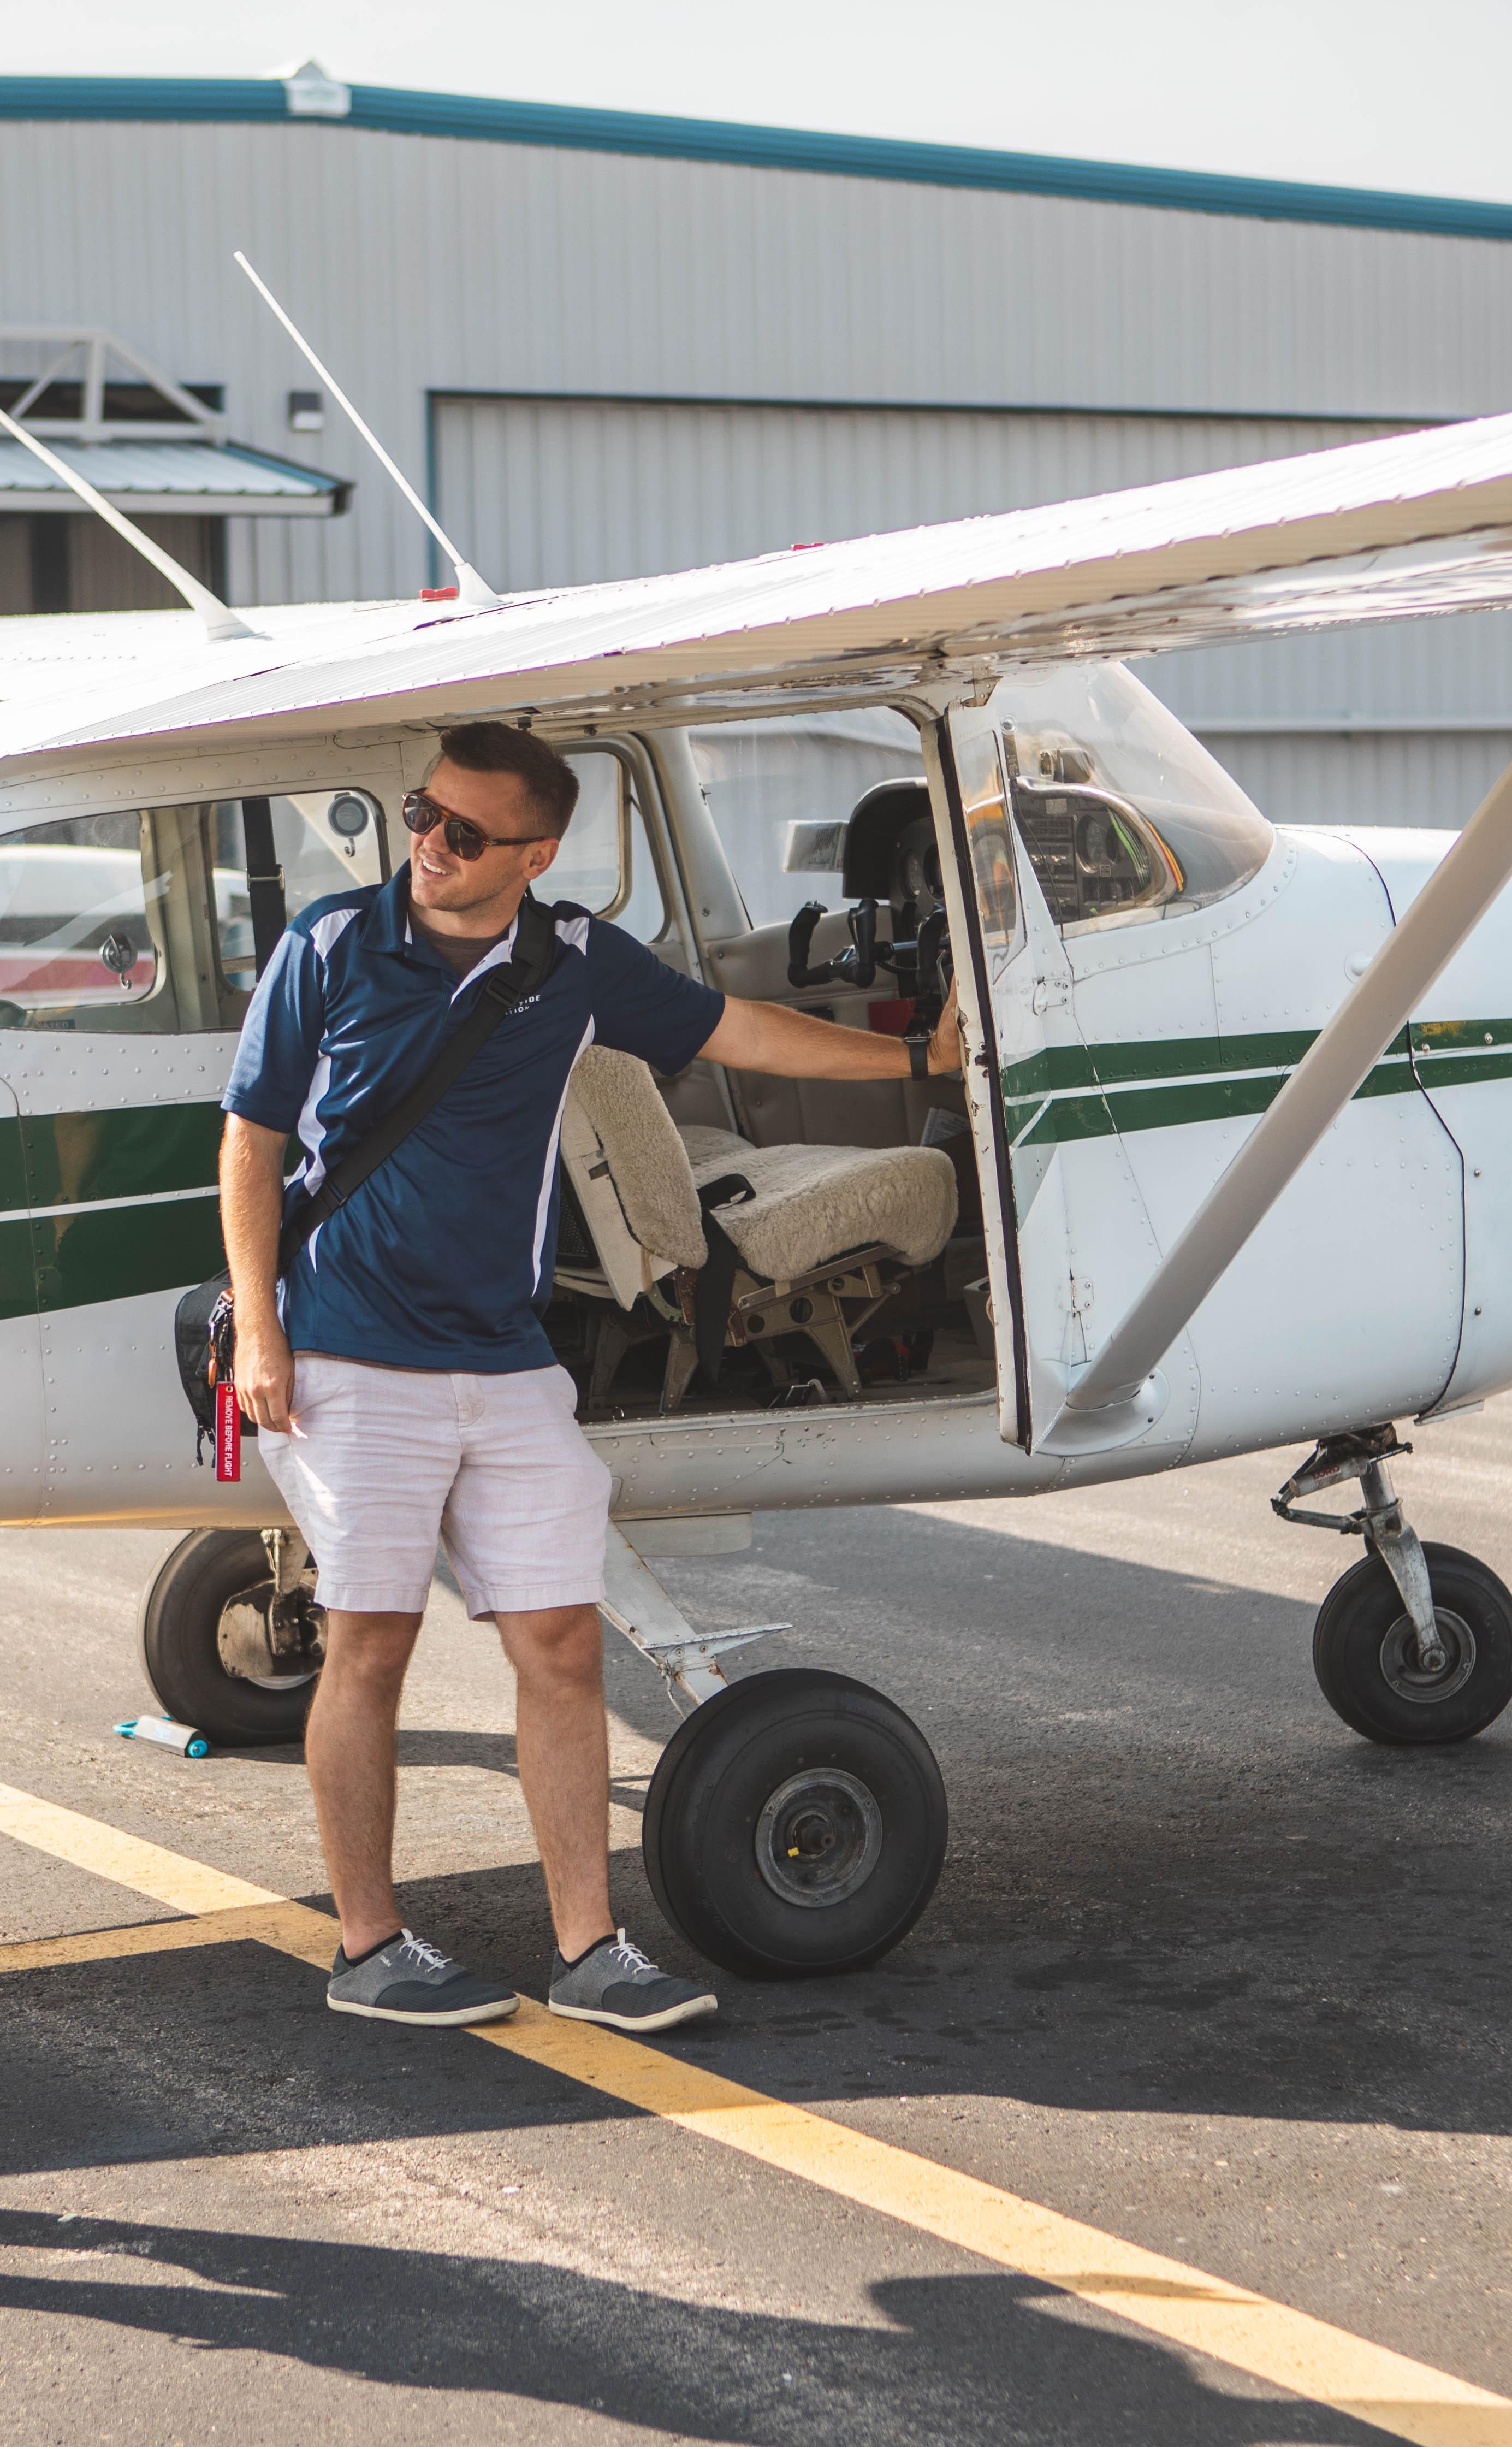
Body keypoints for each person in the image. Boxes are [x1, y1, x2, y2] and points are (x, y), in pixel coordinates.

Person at [220, 722, 964, 2036]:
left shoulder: (569, 962)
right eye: (422, 816)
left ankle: (590, 1951)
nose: (430, 848)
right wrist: (266, 1334)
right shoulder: (331, 946)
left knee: (560, 1641)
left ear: (538, 852)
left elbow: (744, 1031)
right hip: (349, 1348)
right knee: (370, 1644)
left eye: (465, 833)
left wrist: (920, 1061)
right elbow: (252, 1139)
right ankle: (370, 1944)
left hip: (503, 1359)